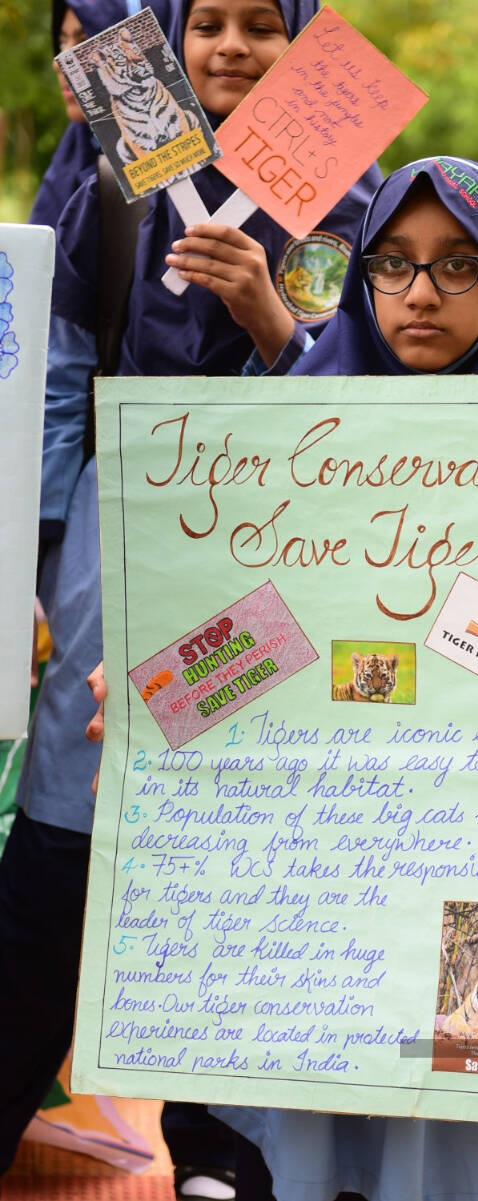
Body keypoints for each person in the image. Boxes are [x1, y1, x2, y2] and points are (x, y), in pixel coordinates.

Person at [156, 155, 478, 1201]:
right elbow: (258, 621)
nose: (421, 292)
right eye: (391, 264)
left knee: (466, 1120)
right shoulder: (296, 430)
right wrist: (155, 692)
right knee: (315, 1133)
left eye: (457, 266)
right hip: (328, 862)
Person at [0, 0, 380, 1195]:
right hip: (117, 554)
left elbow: (371, 401)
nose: (227, 48)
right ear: (165, 36)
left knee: (229, 833)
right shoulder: (113, 177)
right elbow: (62, 383)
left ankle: (220, 1146)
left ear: (304, 43)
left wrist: (269, 312)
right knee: (70, 820)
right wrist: (34, 573)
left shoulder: (352, 196)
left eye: (260, 26)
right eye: (202, 20)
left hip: (274, 565)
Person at [30, 0, 174, 229]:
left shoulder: (188, 154)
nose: (58, 62)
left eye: (84, 40)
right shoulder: (74, 155)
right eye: (61, 42)